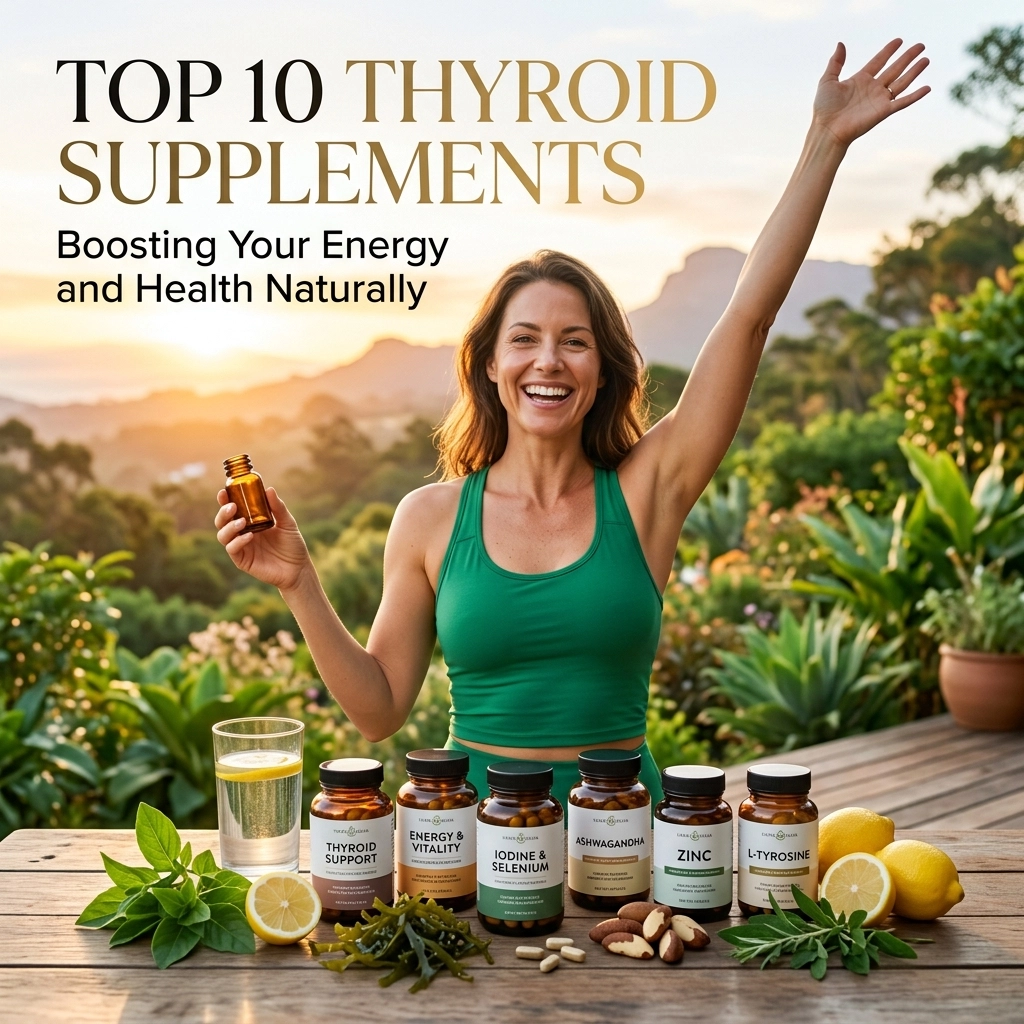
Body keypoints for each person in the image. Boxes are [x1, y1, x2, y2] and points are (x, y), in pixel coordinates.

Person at [215, 40, 930, 809]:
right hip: (471, 834)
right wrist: (299, 584)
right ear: (490, 364)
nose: (547, 361)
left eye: (574, 341)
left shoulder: (650, 492)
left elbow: (748, 318)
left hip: (627, 828)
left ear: (603, 368)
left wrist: (824, 143)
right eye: (524, 339)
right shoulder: (427, 519)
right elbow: (380, 707)